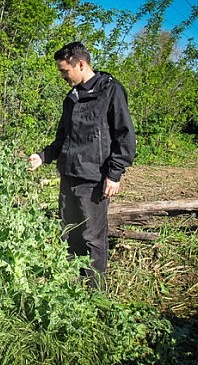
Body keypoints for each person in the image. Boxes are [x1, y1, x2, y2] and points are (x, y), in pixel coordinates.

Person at [28, 41, 136, 289]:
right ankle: (73, 287)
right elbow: (63, 137)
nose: (63, 76)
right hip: (69, 175)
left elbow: (125, 136)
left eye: (64, 71)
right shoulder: (72, 97)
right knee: (70, 233)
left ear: (80, 64)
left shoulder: (110, 90)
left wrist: (115, 174)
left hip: (94, 178)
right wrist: (43, 156)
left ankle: (94, 292)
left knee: (92, 238)